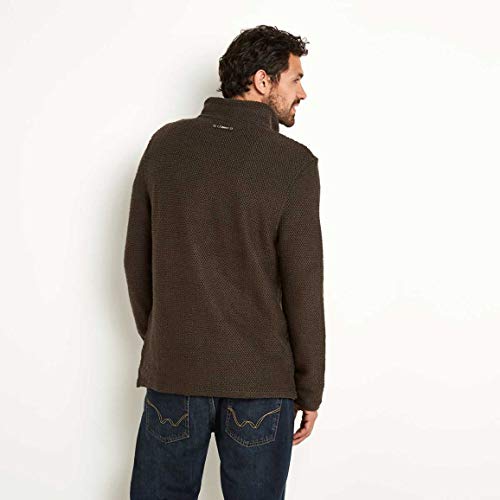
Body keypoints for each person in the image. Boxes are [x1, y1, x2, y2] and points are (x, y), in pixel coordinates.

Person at [124, 24, 326, 500]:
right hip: (260, 384)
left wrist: (167, 341)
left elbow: (136, 262)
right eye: (295, 79)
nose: (303, 93)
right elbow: (303, 287)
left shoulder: (165, 145)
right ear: (262, 81)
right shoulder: (293, 164)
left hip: (176, 373)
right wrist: (310, 388)